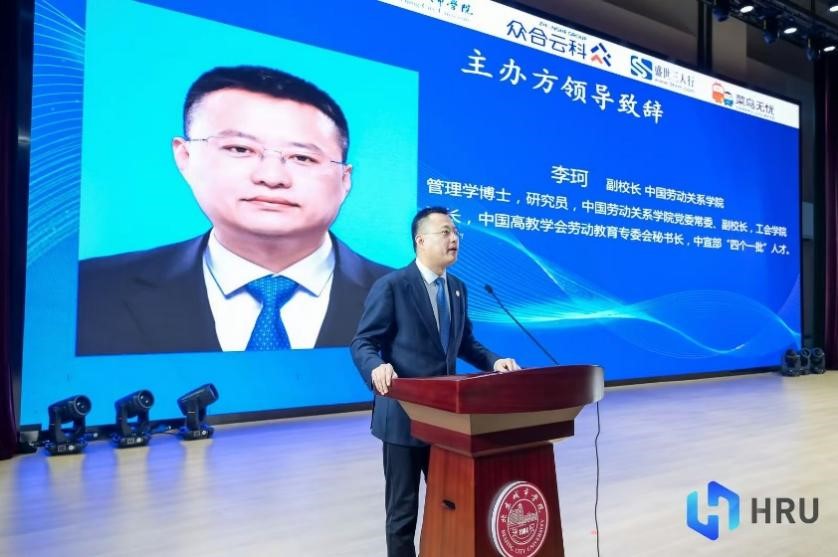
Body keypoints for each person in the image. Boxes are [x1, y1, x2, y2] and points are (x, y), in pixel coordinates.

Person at [76, 65, 389, 355]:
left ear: (345, 179)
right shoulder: (90, 290)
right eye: (240, 149)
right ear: (185, 157)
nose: (272, 177)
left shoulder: (407, 298)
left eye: (302, 157)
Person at [350, 206, 521, 557]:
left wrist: (494, 361)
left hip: (445, 420)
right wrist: (376, 368)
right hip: (403, 418)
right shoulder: (393, 286)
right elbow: (363, 342)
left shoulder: (457, 289)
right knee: (403, 513)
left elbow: (464, 343)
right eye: (445, 232)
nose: (454, 238)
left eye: (456, 232)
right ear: (421, 240)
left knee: (451, 501)